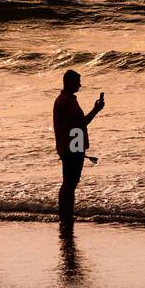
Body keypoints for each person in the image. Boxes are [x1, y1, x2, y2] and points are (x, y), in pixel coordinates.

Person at [53, 70, 103, 224]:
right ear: (69, 82)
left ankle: (66, 215)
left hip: (70, 144)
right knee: (70, 183)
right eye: (77, 82)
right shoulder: (67, 101)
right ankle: (66, 216)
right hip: (72, 144)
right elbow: (80, 124)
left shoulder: (66, 99)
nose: (80, 85)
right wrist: (96, 110)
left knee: (69, 182)